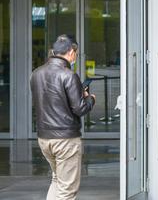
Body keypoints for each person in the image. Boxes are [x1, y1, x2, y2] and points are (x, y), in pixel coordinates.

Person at [30, 35, 95, 200]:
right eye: (76, 54)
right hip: (65, 141)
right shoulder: (69, 75)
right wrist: (90, 98)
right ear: (71, 52)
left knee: (57, 180)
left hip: (44, 138)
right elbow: (80, 108)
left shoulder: (36, 73)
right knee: (67, 191)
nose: (75, 57)